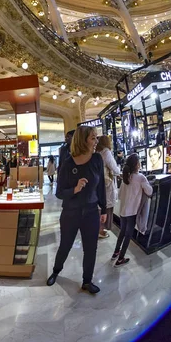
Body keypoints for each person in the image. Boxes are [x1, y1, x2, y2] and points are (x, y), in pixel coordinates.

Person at [47, 126, 107, 294]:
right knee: (65, 245)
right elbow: (59, 193)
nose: (96, 141)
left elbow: (100, 185)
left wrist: (103, 209)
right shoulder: (67, 163)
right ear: (83, 140)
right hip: (70, 212)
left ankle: (87, 281)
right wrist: (75, 189)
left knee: (90, 248)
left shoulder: (97, 159)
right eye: (93, 138)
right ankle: (56, 271)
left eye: (96, 138)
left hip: (91, 212)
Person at [112, 153, 153, 267]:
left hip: (123, 211)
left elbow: (120, 195)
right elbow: (149, 191)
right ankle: (120, 259)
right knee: (128, 235)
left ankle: (116, 252)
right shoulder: (140, 177)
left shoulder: (126, 177)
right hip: (132, 211)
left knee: (122, 232)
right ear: (136, 165)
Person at [96, 135, 121, 239]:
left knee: (100, 207)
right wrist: (119, 171)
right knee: (106, 208)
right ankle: (101, 230)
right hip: (107, 184)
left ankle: (98, 229)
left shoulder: (97, 153)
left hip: (99, 184)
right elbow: (115, 169)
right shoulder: (106, 153)